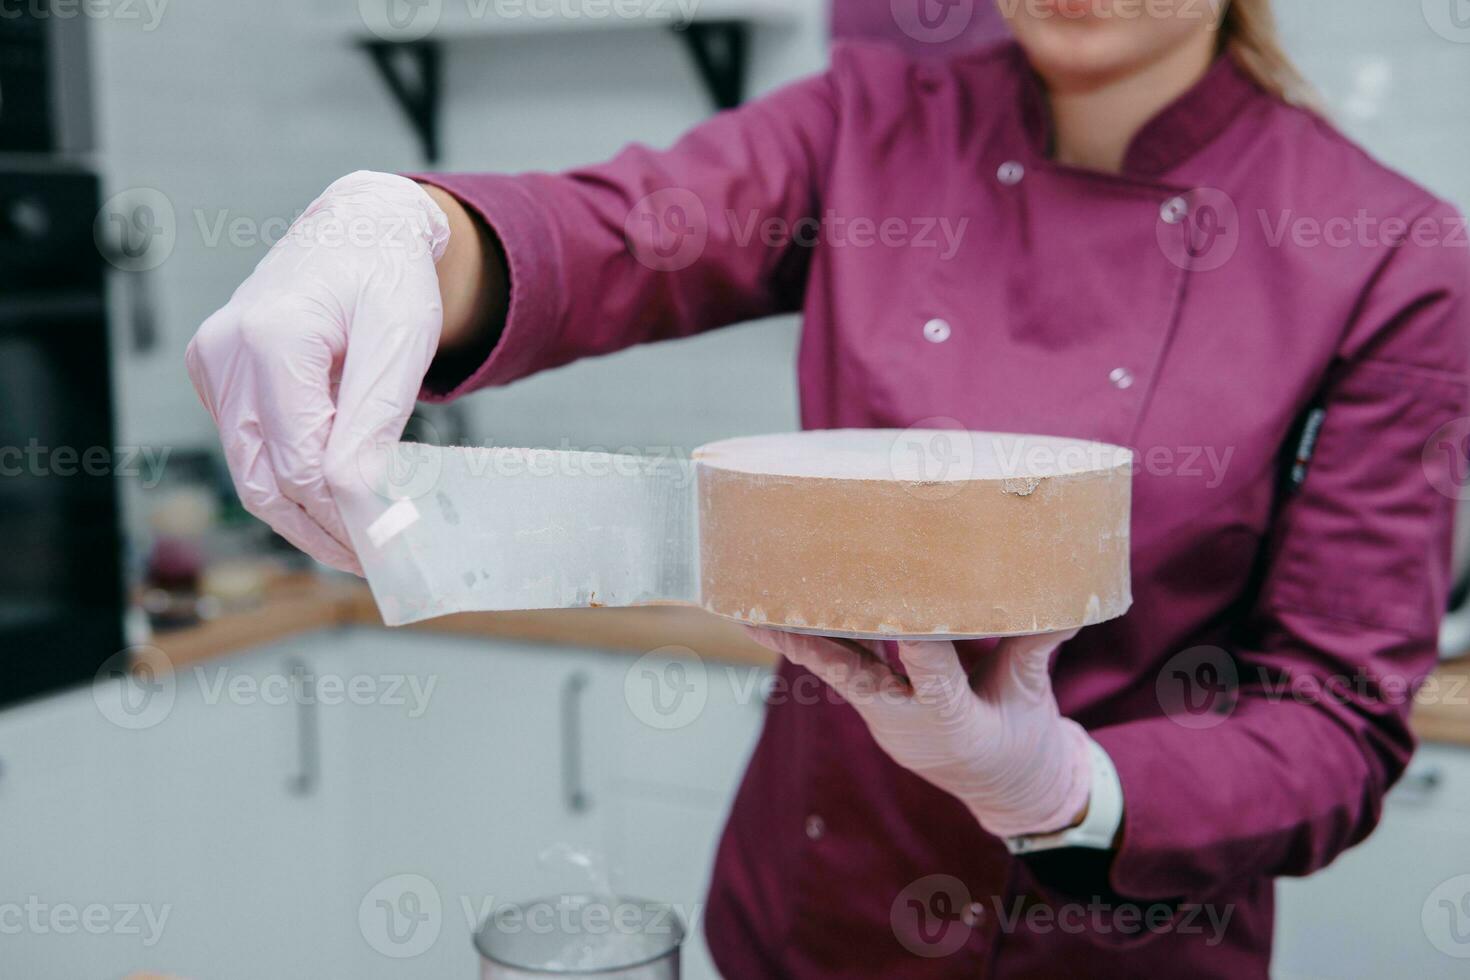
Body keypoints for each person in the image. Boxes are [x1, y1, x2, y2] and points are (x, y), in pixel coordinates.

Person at [185, 0, 1469, 974]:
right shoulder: (875, 120)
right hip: (807, 907)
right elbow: (628, 226)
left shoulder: (1389, 252)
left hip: (1120, 938)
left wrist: (1067, 786)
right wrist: (410, 230)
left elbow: (1337, 715)